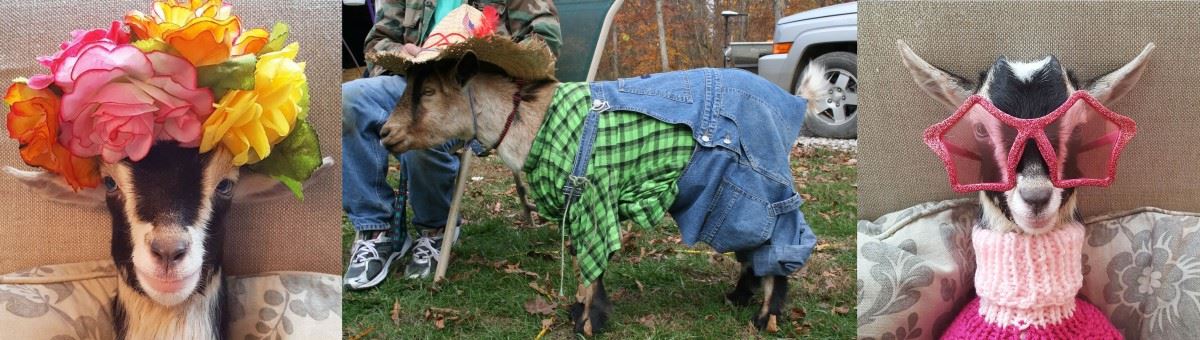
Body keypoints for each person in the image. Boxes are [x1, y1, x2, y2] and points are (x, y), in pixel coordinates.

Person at [342, 0, 560, 289]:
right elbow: (377, 42)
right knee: (347, 100)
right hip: (410, 84)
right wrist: (403, 53)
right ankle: (376, 231)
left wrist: (490, 54)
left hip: (475, 94)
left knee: (428, 127)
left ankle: (434, 228)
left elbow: (544, 42)